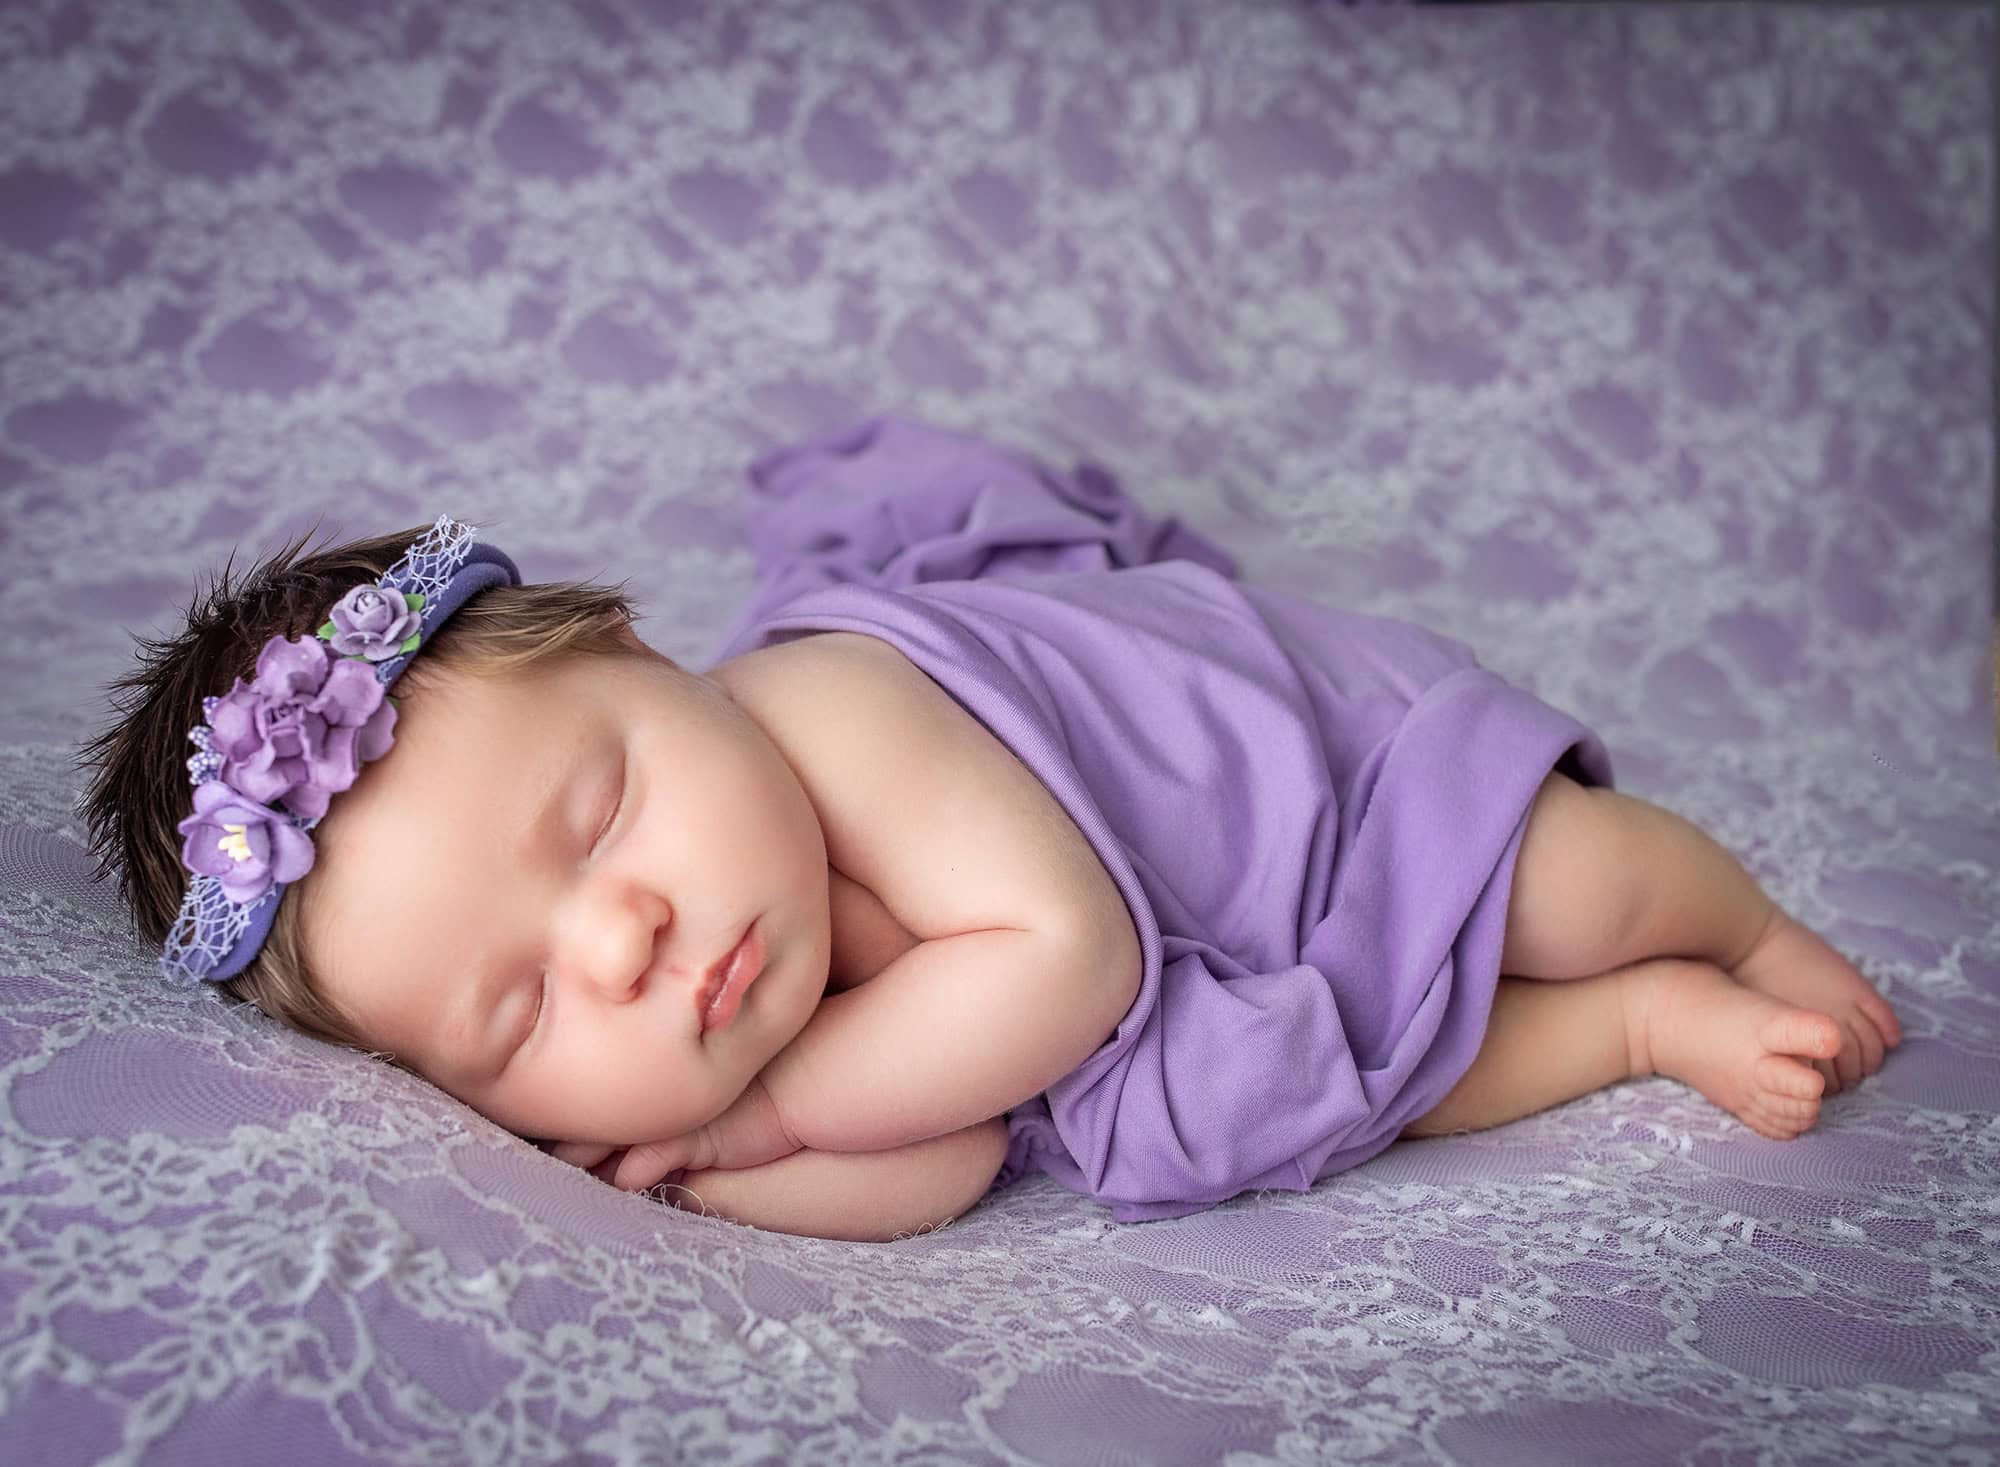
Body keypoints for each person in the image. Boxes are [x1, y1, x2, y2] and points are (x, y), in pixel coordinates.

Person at [74, 421, 1903, 1241]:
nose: (619, 941)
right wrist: (732, 1168)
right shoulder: (716, 1017)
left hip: (1289, 790)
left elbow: (1071, 961)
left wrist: (773, 1109)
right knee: (1320, 1085)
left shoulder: (824, 714)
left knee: (1576, 883)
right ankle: (1645, 1032)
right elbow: (954, 1162)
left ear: (647, 654)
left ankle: (1732, 932)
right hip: (1185, 997)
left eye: (603, 808)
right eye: (517, 1019)